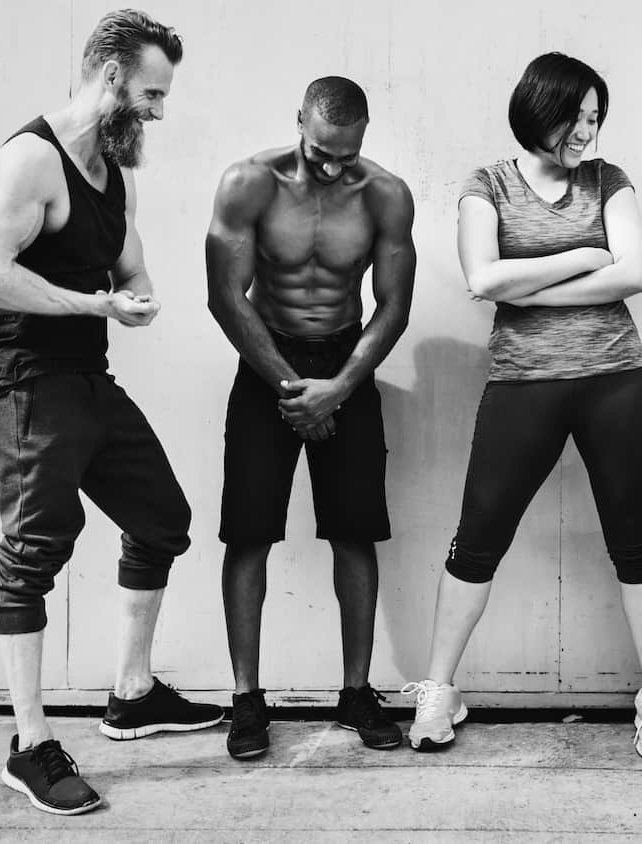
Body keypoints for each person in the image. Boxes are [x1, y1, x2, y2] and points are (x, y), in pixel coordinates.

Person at [0, 10, 222, 816]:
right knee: (37, 548)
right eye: (150, 92)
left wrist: (135, 296)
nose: (158, 110)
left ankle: (132, 694)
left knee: (162, 517)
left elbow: (129, 262)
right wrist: (96, 305)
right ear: (110, 77)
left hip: (84, 376)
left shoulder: (114, 167)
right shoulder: (27, 162)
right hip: (22, 379)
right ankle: (30, 744)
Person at [402, 52, 642, 760]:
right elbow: (482, 275)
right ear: (541, 109)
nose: (588, 131)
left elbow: (637, 271)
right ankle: (438, 689)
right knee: (479, 535)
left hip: (615, 378)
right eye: (577, 116)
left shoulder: (608, 180)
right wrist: (588, 256)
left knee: (634, 539)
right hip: (522, 384)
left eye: (596, 117)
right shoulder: (485, 183)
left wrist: (521, 287)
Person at [205, 76, 416, 760]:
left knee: (355, 533)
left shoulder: (383, 194)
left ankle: (356, 693)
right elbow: (225, 298)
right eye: (322, 150)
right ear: (299, 120)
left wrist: (340, 387)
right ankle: (246, 700)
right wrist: (298, 391)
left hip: (346, 362)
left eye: (346, 151)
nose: (333, 164)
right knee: (249, 533)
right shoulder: (249, 184)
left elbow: (391, 305)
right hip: (268, 364)